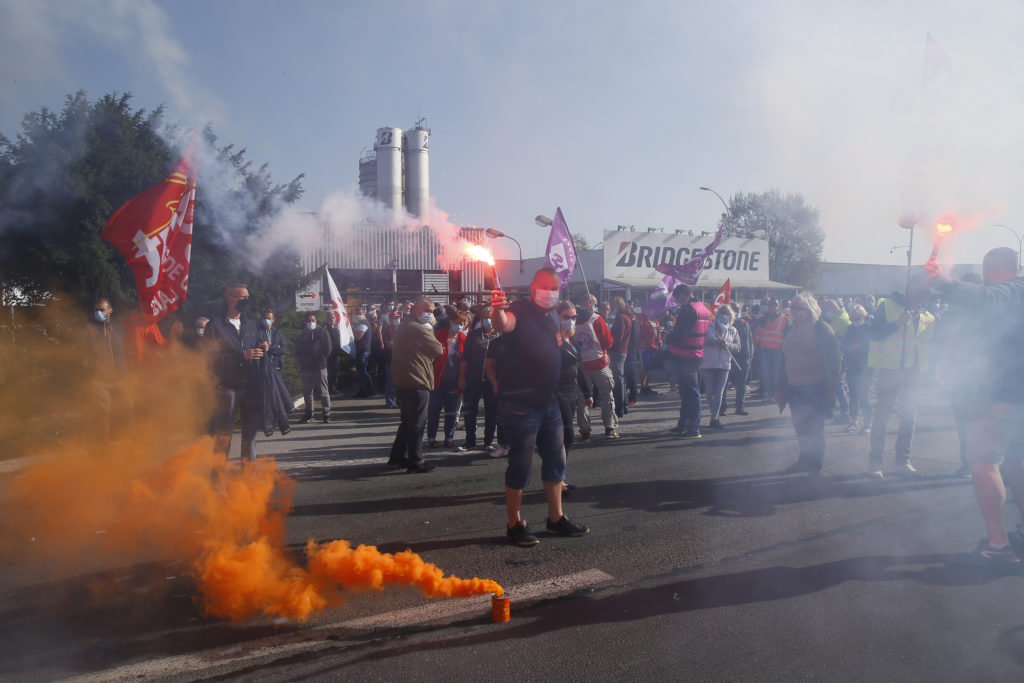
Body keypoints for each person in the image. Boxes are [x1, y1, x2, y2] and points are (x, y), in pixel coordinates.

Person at [928, 247, 1024, 565]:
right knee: (1016, 462)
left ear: (988, 268)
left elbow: (985, 298)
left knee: (984, 462)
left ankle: (998, 547)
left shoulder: (1013, 289)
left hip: (1002, 395)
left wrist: (945, 282)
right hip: (1013, 395)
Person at [491, 268, 589, 547]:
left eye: (555, 287)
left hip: (550, 403)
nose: (550, 291)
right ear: (533, 287)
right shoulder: (518, 310)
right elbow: (503, 324)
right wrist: (497, 310)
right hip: (522, 404)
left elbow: (558, 348)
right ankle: (515, 524)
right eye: (545, 286)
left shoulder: (552, 318)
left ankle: (556, 518)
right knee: (521, 465)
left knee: (557, 461)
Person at [866, 276, 935, 478]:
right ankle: (875, 463)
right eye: (920, 288)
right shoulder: (886, 305)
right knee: (882, 417)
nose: (923, 292)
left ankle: (902, 461)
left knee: (909, 417)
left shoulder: (928, 315)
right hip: (890, 370)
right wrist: (897, 323)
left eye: (926, 289)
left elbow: (927, 347)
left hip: (914, 373)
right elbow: (874, 333)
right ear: (910, 288)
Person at [775, 292, 840, 475]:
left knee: (815, 426)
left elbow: (834, 361)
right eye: (792, 308)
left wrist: (832, 389)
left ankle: (815, 465)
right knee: (801, 425)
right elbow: (783, 359)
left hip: (816, 385)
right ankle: (805, 459)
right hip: (794, 385)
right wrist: (780, 388)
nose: (793, 311)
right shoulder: (790, 328)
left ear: (809, 309)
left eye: (797, 308)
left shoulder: (822, 328)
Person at [206, 284, 263, 462]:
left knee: (250, 435)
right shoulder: (215, 325)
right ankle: (217, 479)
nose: (246, 301)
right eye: (243, 297)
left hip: (250, 386)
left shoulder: (250, 325)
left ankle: (247, 479)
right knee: (224, 435)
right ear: (230, 299)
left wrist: (262, 349)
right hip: (227, 387)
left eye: (248, 297)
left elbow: (254, 348)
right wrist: (241, 356)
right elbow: (212, 359)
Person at [389, 296, 443, 473]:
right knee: (417, 423)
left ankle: (397, 457)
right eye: (427, 310)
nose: (430, 314)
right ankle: (415, 460)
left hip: (403, 380)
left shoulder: (405, 325)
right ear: (416, 310)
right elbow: (438, 350)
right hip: (417, 380)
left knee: (406, 422)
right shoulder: (419, 329)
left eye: (432, 311)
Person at [555, 300, 593, 494]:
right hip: (555, 392)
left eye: (573, 317)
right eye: (566, 317)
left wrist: (587, 392)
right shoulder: (552, 339)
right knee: (564, 437)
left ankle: (559, 478)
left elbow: (579, 368)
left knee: (567, 439)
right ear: (558, 317)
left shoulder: (573, 340)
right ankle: (556, 481)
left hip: (571, 392)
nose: (570, 321)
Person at [665, 283, 712, 439]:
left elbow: (680, 335)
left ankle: (693, 427)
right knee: (686, 393)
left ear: (685, 295)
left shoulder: (688, 310)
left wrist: (668, 336)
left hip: (685, 356)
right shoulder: (704, 309)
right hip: (696, 354)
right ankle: (683, 425)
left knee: (691, 393)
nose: (677, 301)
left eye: (677, 298)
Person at [574, 294, 618, 439]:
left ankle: (585, 429)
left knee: (582, 398)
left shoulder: (572, 318)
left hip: (581, 364)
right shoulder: (597, 319)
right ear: (590, 303)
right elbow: (608, 342)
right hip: (599, 362)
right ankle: (609, 427)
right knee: (607, 395)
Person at [86, 297, 128, 443]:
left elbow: (123, 350)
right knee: (104, 413)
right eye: (97, 310)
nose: (99, 312)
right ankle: (104, 444)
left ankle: (128, 440)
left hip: (120, 377)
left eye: (102, 310)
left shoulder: (118, 328)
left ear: (110, 311)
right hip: (100, 379)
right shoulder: (91, 330)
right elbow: (85, 353)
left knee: (127, 408)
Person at [459, 305, 500, 451]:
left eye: (491, 317)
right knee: (470, 410)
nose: (488, 321)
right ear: (481, 320)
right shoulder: (473, 335)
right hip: (473, 378)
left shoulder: (500, 336)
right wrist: (462, 377)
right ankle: (470, 441)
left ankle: (488, 441)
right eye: (485, 318)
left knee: (492, 411)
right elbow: (465, 358)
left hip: (492, 381)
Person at [427, 310, 468, 449]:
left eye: (462, 324)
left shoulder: (464, 339)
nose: (459, 326)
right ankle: (432, 438)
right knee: (434, 411)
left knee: (451, 412)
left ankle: (449, 438)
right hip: (437, 381)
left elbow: (466, 361)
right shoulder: (438, 336)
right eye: (457, 323)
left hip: (455, 383)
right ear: (450, 322)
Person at [701, 304, 740, 429]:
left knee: (719, 393)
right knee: (709, 392)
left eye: (727, 314)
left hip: (724, 365)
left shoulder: (733, 330)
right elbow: (702, 341)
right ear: (718, 314)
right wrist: (715, 342)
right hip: (708, 364)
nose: (725, 316)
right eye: (723, 313)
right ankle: (714, 413)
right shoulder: (709, 327)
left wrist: (727, 344)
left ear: (731, 316)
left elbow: (738, 347)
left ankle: (714, 418)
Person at [257, 308, 291, 437]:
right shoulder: (258, 332)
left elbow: (284, 349)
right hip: (264, 369)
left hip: (276, 368)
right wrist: (273, 348)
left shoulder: (278, 333)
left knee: (277, 395)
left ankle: (278, 419)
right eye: (265, 317)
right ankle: (269, 421)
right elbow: (258, 347)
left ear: (273, 319)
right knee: (267, 396)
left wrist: (271, 349)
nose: (267, 320)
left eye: (269, 318)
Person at [295, 312, 332, 424]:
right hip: (306, 368)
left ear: (316, 322)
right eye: (308, 321)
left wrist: (320, 360)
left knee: (323, 391)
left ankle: (326, 414)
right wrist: (302, 362)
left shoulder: (322, 332)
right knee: (307, 392)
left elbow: (328, 348)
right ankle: (308, 414)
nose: (310, 323)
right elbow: (298, 350)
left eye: (313, 321)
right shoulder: (303, 334)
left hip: (320, 367)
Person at [841, 305, 872, 434]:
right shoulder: (849, 329)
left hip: (865, 367)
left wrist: (857, 347)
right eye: (852, 318)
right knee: (853, 396)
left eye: (857, 317)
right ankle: (854, 422)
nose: (855, 320)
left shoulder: (869, 329)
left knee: (864, 396)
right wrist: (847, 348)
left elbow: (870, 346)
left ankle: (868, 424)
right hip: (852, 366)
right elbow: (844, 344)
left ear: (863, 316)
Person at [821, 298, 852, 425]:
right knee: (834, 385)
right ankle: (831, 411)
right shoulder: (840, 316)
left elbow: (827, 333)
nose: (826, 313)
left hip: (838, 357)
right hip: (836, 356)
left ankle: (845, 413)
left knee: (838, 386)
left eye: (826, 310)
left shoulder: (840, 319)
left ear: (833, 309)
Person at [721, 302, 753, 416]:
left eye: (739, 309)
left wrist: (750, 356)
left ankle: (740, 406)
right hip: (730, 358)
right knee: (724, 385)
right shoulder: (725, 325)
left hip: (744, 359)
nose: (738, 311)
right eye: (735, 309)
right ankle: (722, 407)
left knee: (742, 385)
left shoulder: (745, 324)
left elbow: (749, 341)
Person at [754, 299, 787, 399]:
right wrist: (756, 347)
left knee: (776, 373)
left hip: (777, 351)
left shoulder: (784, 319)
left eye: (775, 304)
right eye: (771, 305)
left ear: (778, 306)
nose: (773, 306)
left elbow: (787, 335)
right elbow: (759, 334)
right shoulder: (764, 319)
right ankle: (768, 393)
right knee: (766, 374)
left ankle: (775, 394)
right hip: (765, 350)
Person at [608, 296, 632, 418]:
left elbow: (618, 336)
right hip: (623, 349)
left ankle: (620, 408)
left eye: (614, 304)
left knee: (618, 379)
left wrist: (611, 344)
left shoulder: (621, 317)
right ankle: (624, 406)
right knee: (621, 378)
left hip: (618, 350)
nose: (612, 306)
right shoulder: (627, 316)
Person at [636, 309, 661, 395]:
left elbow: (658, 331)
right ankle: (643, 387)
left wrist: (660, 340)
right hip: (644, 347)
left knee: (648, 367)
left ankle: (647, 386)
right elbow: (638, 331)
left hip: (653, 346)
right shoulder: (641, 318)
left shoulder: (655, 319)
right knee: (644, 367)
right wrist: (640, 341)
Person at [351, 307, 373, 398]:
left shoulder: (363, 323)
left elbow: (358, 337)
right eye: (357, 314)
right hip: (363, 350)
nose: (358, 316)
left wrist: (352, 330)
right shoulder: (361, 323)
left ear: (364, 313)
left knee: (362, 372)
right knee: (363, 371)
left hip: (363, 351)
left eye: (360, 314)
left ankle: (363, 391)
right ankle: (370, 390)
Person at [325, 316, 342, 394]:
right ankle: (329, 388)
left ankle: (334, 388)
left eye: (333, 318)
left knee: (335, 371)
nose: (331, 319)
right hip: (328, 353)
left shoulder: (337, 327)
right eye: (330, 318)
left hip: (336, 353)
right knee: (329, 371)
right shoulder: (325, 328)